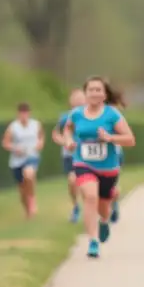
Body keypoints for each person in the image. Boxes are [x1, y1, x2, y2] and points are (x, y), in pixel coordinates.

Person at [62, 76, 135, 258]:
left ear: (104, 94)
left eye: (98, 90)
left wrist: (111, 138)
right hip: (83, 163)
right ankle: (93, 241)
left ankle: (104, 221)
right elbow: (67, 129)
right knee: (90, 196)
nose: (94, 93)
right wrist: (69, 141)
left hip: (108, 168)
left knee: (103, 207)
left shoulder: (112, 115)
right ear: (85, 93)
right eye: (91, 90)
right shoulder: (77, 113)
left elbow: (130, 139)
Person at [2, 102, 46, 219]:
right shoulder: (13, 127)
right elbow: (5, 143)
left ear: (29, 114)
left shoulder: (36, 124)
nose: (24, 116)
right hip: (17, 161)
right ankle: (28, 211)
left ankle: (32, 199)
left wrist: (40, 144)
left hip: (32, 156)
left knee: (29, 174)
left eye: (26, 113)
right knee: (22, 191)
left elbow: (41, 137)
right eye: (21, 113)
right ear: (18, 114)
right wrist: (15, 148)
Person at [53, 88, 86, 223]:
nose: (78, 101)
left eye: (80, 98)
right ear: (70, 102)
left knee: (87, 185)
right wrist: (64, 141)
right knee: (72, 181)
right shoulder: (65, 118)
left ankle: (93, 210)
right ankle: (76, 207)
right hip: (70, 156)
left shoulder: (92, 116)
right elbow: (56, 134)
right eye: (75, 98)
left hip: (87, 156)